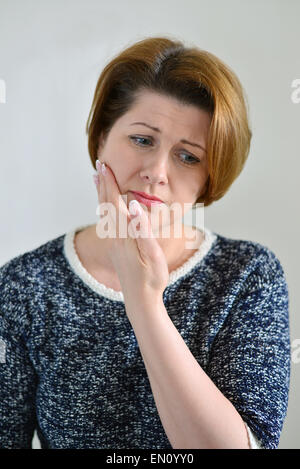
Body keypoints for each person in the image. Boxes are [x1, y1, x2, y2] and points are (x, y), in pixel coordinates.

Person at [0, 36, 290, 449]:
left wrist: (144, 301)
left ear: (210, 176)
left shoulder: (248, 276)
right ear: (101, 138)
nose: (156, 171)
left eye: (188, 156)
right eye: (142, 140)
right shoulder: (25, 284)